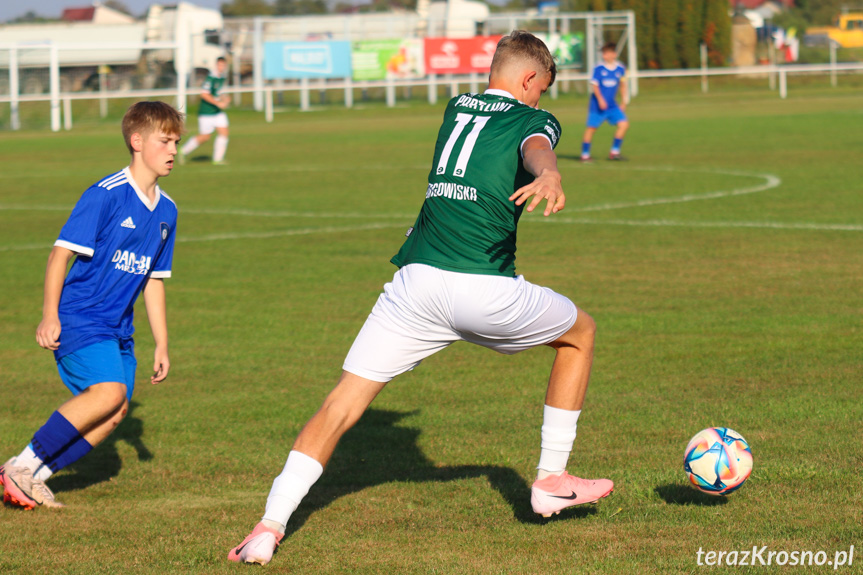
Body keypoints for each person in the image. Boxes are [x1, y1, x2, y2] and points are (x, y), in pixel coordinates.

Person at [228, 30, 613, 566]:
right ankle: (551, 477)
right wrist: (549, 170)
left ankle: (268, 527)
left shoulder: (456, 108)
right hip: (482, 286)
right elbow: (534, 147)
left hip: (414, 285)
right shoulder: (534, 120)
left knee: (339, 405)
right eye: (541, 90)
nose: (540, 101)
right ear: (529, 80)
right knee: (581, 334)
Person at [0, 101, 182, 509]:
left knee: (115, 412)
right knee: (109, 392)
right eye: (164, 140)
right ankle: (20, 464)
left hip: (120, 330)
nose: (173, 150)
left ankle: (33, 478)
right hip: (81, 316)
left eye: (176, 142)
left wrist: (163, 343)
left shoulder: (168, 210)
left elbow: (153, 279)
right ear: (137, 141)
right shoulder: (105, 195)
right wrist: (50, 314)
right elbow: (59, 255)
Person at [581, 42, 629, 162]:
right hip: (597, 106)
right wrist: (601, 100)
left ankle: (614, 152)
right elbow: (595, 86)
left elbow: (623, 85)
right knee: (591, 129)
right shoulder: (598, 68)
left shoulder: (620, 68)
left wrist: (624, 101)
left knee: (624, 125)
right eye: (604, 53)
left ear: (614, 54)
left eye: (607, 53)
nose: (604, 55)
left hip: (612, 105)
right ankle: (585, 154)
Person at [180, 56, 230, 165]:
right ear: (216, 65)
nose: (221, 67)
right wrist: (218, 103)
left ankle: (217, 159)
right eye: (219, 65)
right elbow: (204, 94)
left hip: (217, 112)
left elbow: (218, 92)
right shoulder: (210, 78)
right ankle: (183, 151)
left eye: (223, 65)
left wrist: (225, 99)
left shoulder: (221, 77)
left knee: (224, 133)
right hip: (206, 112)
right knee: (205, 137)